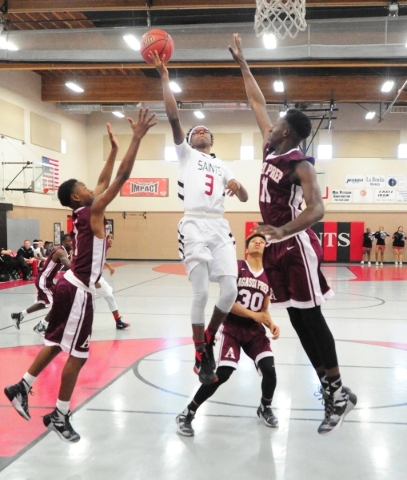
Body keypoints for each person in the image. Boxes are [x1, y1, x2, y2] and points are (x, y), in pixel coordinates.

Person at [229, 33, 356, 436]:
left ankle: (336, 394)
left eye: (275, 126)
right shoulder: (272, 149)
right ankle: (332, 388)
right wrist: (243, 63)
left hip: (296, 246)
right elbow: (256, 102)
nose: (268, 127)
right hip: (277, 250)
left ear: (285, 132)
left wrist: (282, 229)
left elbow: (318, 208)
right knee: (300, 324)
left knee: (312, 320)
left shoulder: (300, 163)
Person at [4, 110, 157, 443]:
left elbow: (103, 181)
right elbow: (121, 178)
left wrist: (113, 150)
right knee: (78, 354)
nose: (93, 187)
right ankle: (59, 414)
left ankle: (21, 386)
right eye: (86, 187)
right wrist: (137, 139)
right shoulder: (95, 209)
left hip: (68, 287)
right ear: (77, 196)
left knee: (57, 342)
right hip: (77, 291)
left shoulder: (85, 210)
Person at [151, 50, 249, 386]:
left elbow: (246, 196)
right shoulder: (186, 155)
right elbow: (173, 116)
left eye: (206, 131)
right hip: (193, 221)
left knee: (230, 290)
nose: (201, 132)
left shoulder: (222, 165)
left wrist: (239, 186)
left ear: (213, 141)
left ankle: (208, 337)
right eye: (196, 131)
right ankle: (200, 352)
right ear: (191, 141)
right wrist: (165, 77)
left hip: (219, 225)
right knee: (201, 294)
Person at [176, 233, 280, 436]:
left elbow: (264, 308)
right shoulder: (236, 269)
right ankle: (187, 413)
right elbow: (228, 303)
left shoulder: (270, 275)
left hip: (254, 332)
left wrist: (271, 323)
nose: (259, 242)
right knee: (222, 374)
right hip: (232, 327)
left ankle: (265, 407)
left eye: (262, 241)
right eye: (253, 241)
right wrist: (254, 315)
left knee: (269, 369)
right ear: (246, 249)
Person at [10, 234, 72, 334]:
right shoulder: (60, 252)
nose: (72, 243)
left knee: (43, 303)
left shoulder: (66, 252)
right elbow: (69, 266)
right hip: (44, 280)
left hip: (47, 280)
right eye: (70, 241)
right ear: (64, 242)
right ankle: (41, 326)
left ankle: (19, 315)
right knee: (58, 304)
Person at [95, 234, 129, 330]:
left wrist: (109, 267)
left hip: (97, 277)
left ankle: (118, 322)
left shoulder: (103, 250)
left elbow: (101, 261)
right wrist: (94, 280)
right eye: (109, 238)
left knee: (109, 296)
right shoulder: (97, 248)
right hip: (88, 278)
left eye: (111, 238)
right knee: (85, 303)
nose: (111, 240)